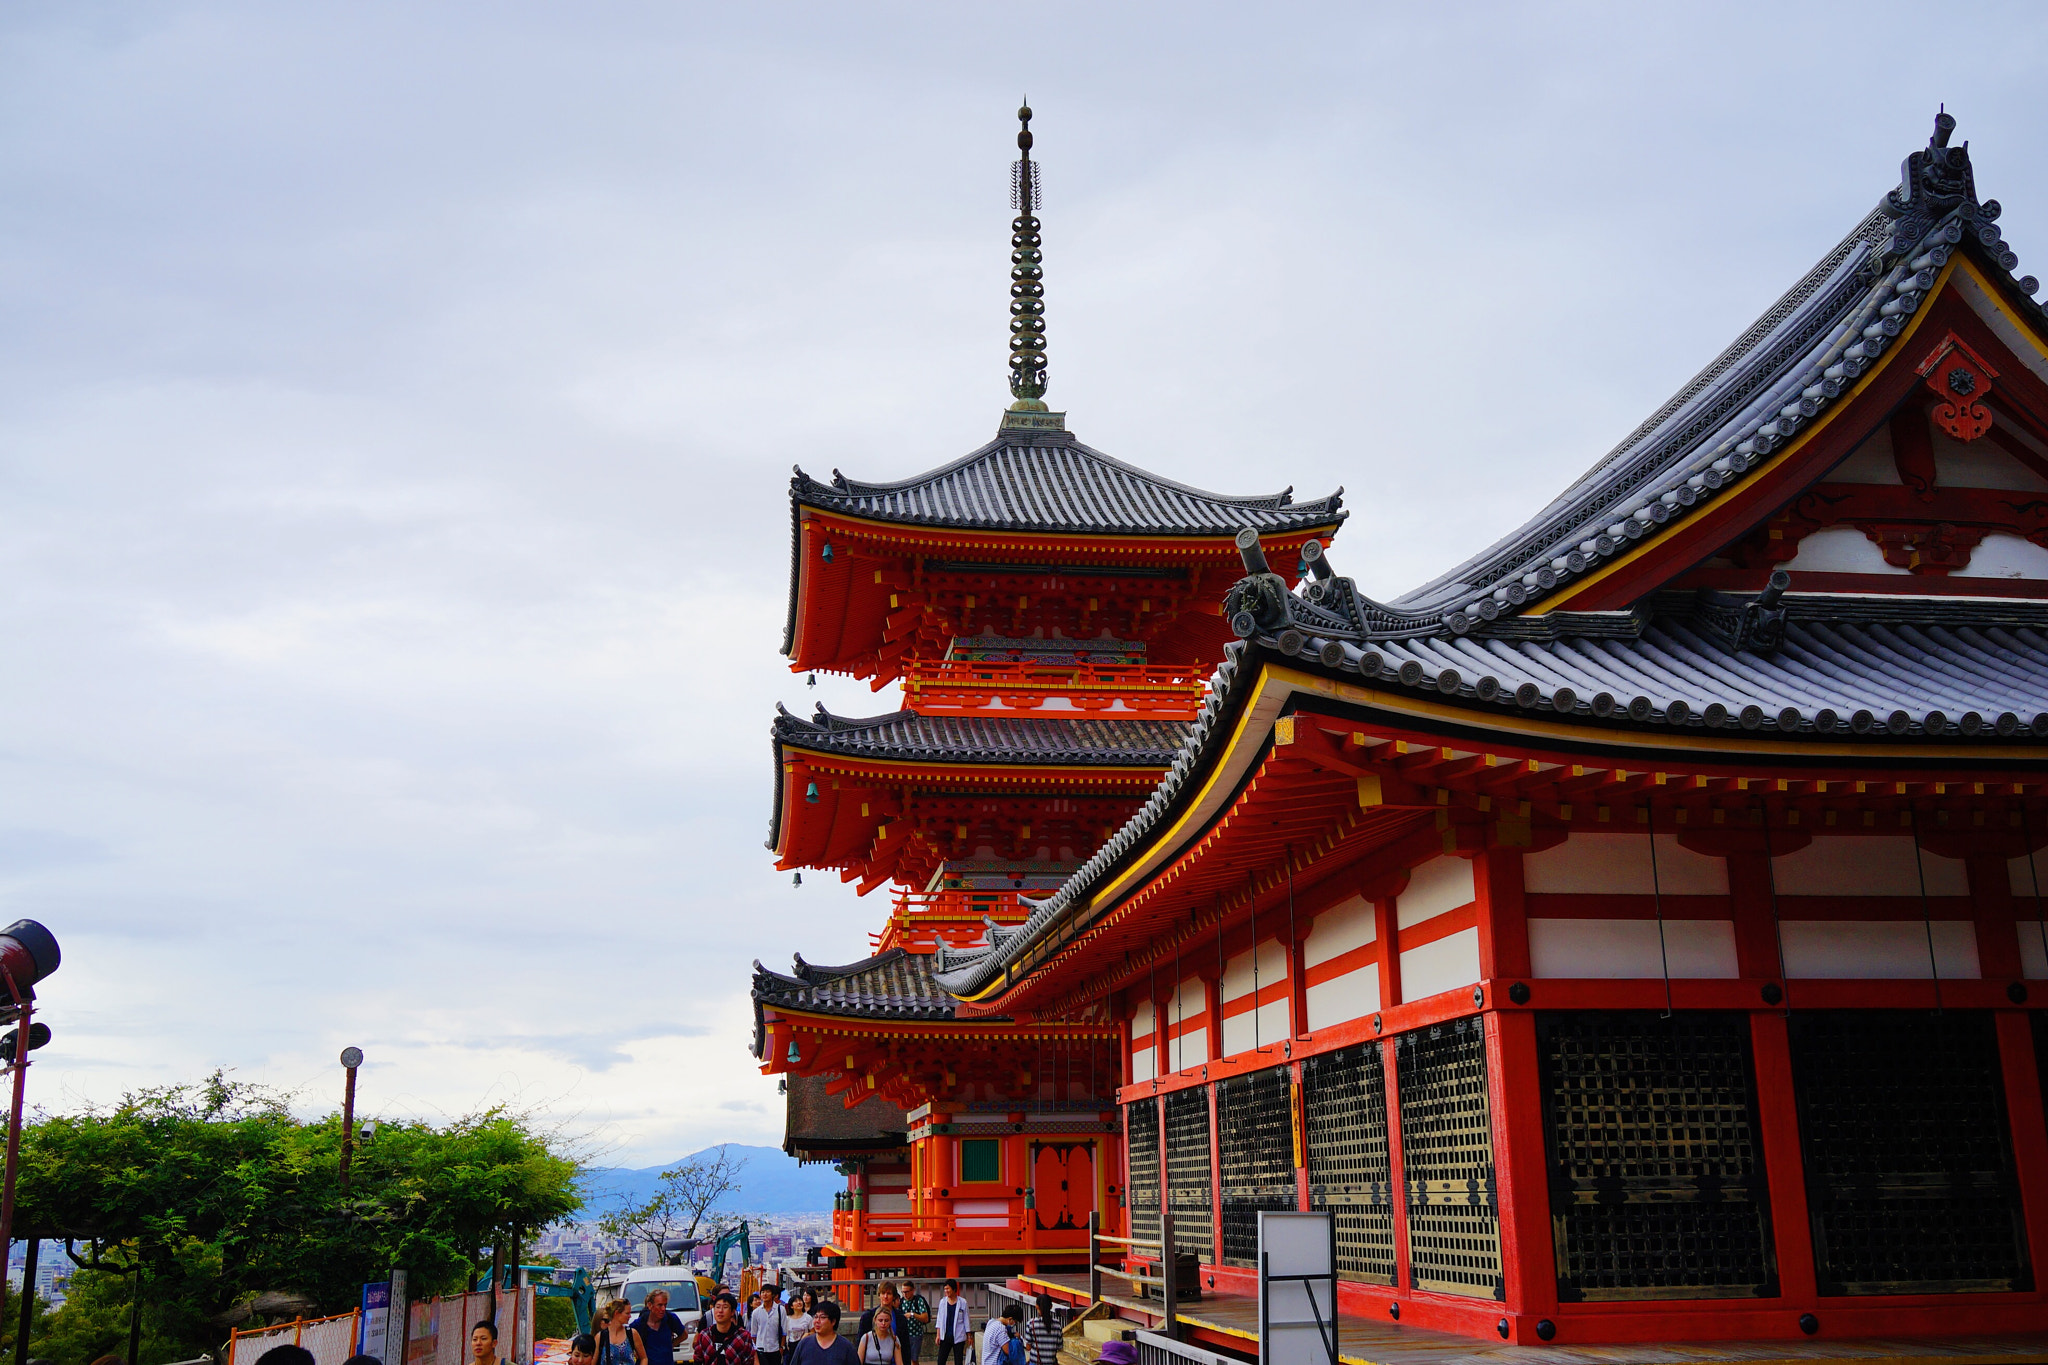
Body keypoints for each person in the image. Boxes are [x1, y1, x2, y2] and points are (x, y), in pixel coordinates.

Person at [695, 1291, 758, 1365]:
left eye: (725, 1307)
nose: (720, 1311)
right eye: (717, 1307)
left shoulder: (743, 1336)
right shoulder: (705, 1335)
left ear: (732, 1312)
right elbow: (698, 1359)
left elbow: (748, 1361)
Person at [789, 1298, 856, 1365]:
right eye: (815, 1317)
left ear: (833, 1321)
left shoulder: (846, 1347)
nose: (817, 1321)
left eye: (822, 1317)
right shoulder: (804, 1344)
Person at [635, 1289, 692, 1365]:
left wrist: (670, 1345)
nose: (663, 1309)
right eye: (660, 1305)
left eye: (665, 1305)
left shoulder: (670, 1319)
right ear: (650, 1305)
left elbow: (684, 1335)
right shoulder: (640, 1323)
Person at [751, 1282, 792, 1365]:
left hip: (775, 1349)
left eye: (767, 1292)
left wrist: (782, 1348)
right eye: (763, 1292)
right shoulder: (756, 1312)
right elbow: (754, 1334)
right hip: (760, 1349)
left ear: (773, 1295)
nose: (765, 1294)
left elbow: (784, 1331)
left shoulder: (780, 1310)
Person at [930, 1283, 970, 1365]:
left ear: (954, 1289)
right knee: (941, 1360)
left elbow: (966, 1319)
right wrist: (938, 1335)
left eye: (948, 1289)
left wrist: (969, 1336)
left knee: (958, 1361)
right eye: (945, 1289)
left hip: (958, 1335)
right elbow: (939, 1319)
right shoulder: (943, 1302)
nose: (946, 1291)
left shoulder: (962, 1302)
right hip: (945, 1336)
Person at [599, 1299, 649, 1365]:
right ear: (616, 1313)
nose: (630, 1316)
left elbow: (644, 1358)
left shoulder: (632, 1333)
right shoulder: (601, 1336)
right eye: (627, 1313)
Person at [1020, 1297, 1059, 1365]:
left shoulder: (1031, 1323)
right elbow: (1059, 1346)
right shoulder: (1057, 1324)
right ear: (1051, 1306)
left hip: (1036, 1362)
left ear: (1036, 1306)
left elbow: (1028, 1347)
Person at [898, 1282, 929, 1364]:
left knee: (914, 1358)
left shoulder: (918, 1301)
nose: (905, 1294)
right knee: (904, 1357)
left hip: (916, 1334)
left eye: (907, 1292)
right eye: (903, 1292)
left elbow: (925, 1318)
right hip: (904, 1334)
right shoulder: (901, 1302)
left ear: (913, 1291)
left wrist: (913, 1315)